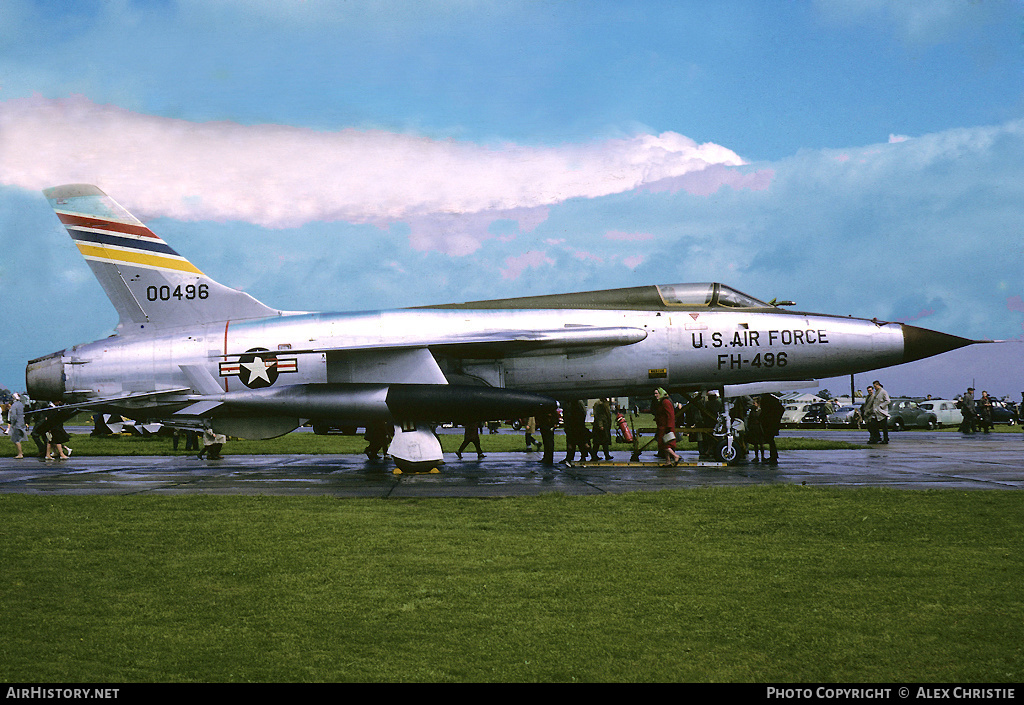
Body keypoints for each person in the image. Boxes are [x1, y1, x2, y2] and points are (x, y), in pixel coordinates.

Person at [653, 388, 680, 465]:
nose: (655, 395)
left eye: (656, 393)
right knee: (665, 444)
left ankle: (675, 456)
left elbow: (670, 415)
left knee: (664, 445)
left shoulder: (665, 402)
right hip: (663, 426)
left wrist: (669, 427)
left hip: (666, 427)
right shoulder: (662, 402)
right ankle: (668, 461)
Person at [757, 393, 784, 465]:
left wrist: (761, 418)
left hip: (769, 423)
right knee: (770, 440)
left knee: (770, 439)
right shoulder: (773, 399)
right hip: (773, 422)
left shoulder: (766, 400)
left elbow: (764, 411)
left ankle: (773, 456)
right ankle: (773, 455)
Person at [561, 399, 590, 464]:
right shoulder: (574, 403)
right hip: (575, 425)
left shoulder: (573, 403)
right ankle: (578, 457)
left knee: (573, 442)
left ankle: (571, 457)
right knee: (579, 442)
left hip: (574, 425)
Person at [865, 380, 891, 444]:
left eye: (875, 386)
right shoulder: (876, 392)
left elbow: (888, 400)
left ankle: (885, 439)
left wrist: (881, 406)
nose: (874, 388)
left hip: (882, 413)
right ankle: (876, 438)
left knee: (884, 427)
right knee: (873, 425)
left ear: (878, 385)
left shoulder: (883, 392)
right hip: (876, 413)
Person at [7, 393, 27, 459]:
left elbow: (13, 416)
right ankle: (20, 452)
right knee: (18, 438)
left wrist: (12, 423)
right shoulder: (21, 404)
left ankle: (20, 453)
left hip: (16, 424)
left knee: (16, 439)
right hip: (21, 423)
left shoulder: (14, 405)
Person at [746, 396, 765, 463]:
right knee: (755, 443)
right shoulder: (752, 411)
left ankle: (762, 456)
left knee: (761, 443)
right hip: (754, 428)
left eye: (754, 403)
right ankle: (756, 456)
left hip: (759, 428)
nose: (753, 404)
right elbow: (750, 420)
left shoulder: (760, 411)